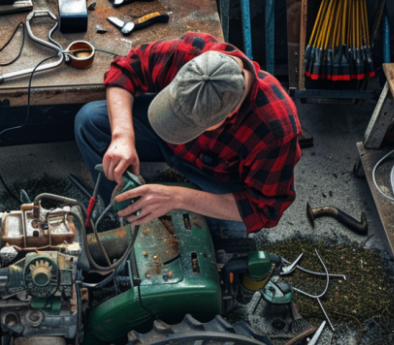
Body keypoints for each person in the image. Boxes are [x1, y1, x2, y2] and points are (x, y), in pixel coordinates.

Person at [74, 32, 302, 242]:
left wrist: (178, 198)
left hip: (214, 175)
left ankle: (175, 207)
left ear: (229, 113)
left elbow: (263, 209)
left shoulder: (275, 129)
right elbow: (126, 69)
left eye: (185, 123)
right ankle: (122, 212)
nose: (174, 129)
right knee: (90, 120)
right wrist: (122, 136)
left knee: (232, 232)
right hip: (161, 142)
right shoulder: (191, 52)